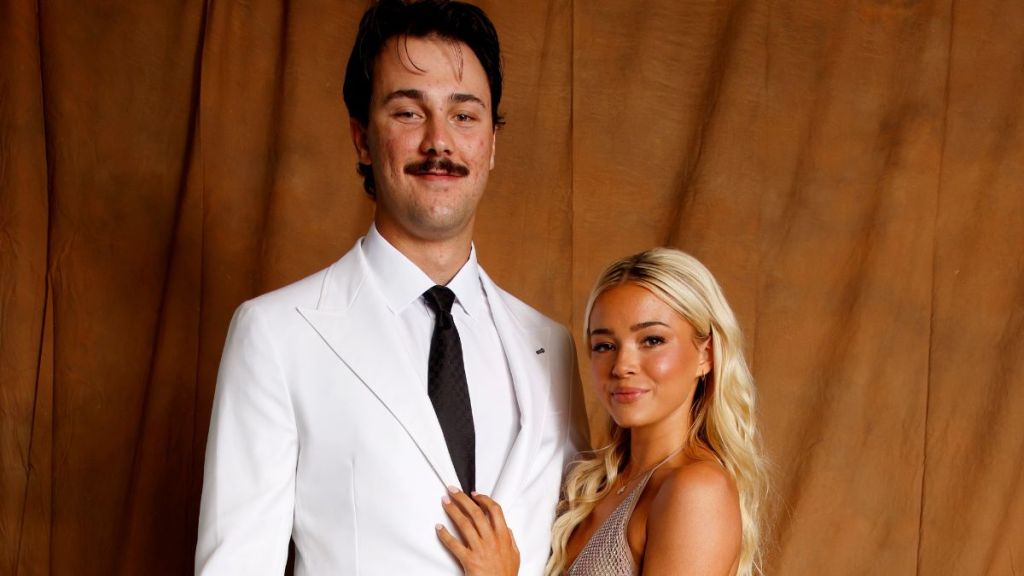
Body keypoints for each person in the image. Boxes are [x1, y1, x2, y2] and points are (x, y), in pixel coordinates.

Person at [195, 1, 585, 574]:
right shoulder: (276, 334)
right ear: (361, 138)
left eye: (465, 115)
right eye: (407, 112)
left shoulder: (552, 347)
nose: (439, 142)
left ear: (492, 144)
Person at [442, 248, 768, 575]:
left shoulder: (698, 490)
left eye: (652, 340)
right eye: (605, 346)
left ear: (705, 355)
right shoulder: (598, 484)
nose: (622, 365)